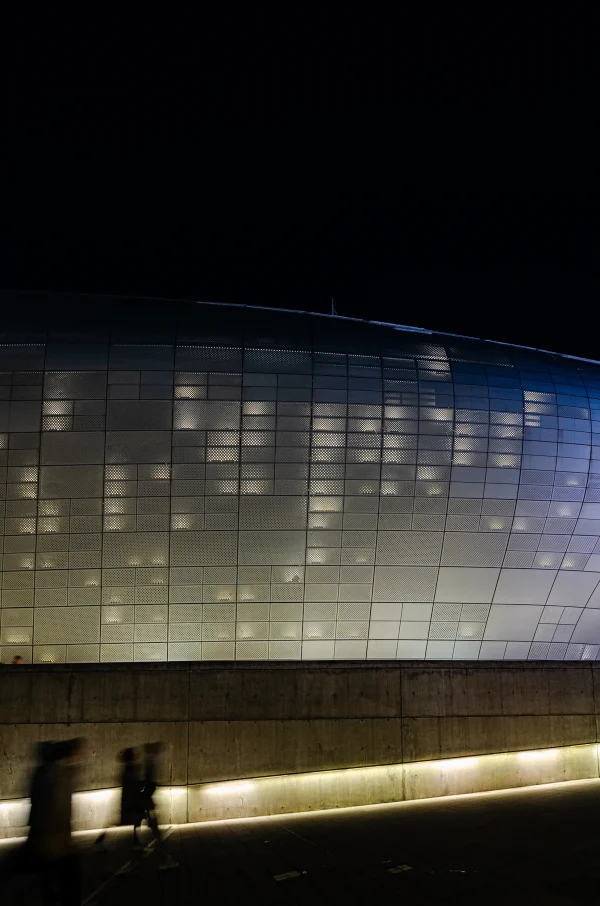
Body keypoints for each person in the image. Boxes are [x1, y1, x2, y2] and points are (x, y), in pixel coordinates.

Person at [27, 738, 85, 906]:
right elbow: (57, 810)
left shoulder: (40, 774)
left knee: (50, 883)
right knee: (69, 883)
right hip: (56, 842)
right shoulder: (58, 775)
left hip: (45, 841)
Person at [141, 742, 178, 870]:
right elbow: (150, 785)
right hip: (148, 804)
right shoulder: (150, 764)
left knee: (155, 832)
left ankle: (165, 857)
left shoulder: (149, 764)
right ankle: (165, 858)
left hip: (148, 804)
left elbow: (149, 785)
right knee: (155, 832)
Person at [119, 748, 144, 850]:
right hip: (132, 801)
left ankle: (136, 841)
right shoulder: (130, 769)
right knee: (136, 820)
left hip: (130, 800)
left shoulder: (128, 768)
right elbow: (133, 784)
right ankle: (135, 841)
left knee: (136, 821)